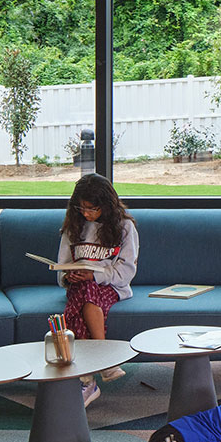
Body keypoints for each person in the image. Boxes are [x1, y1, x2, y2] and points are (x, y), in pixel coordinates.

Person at [59, 173, 140, 405]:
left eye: (92, 209)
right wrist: (68, 276)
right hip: (78, 288)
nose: (87, 214)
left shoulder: (125, 227)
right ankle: (106, 362)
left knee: (86, 290)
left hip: (112, 287)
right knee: (83, 289)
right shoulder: (73, 228)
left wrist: (93, 274)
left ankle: (86, 380)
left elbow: (126, 272)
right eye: (81, 208)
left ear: (106, 204)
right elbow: (61, 267)